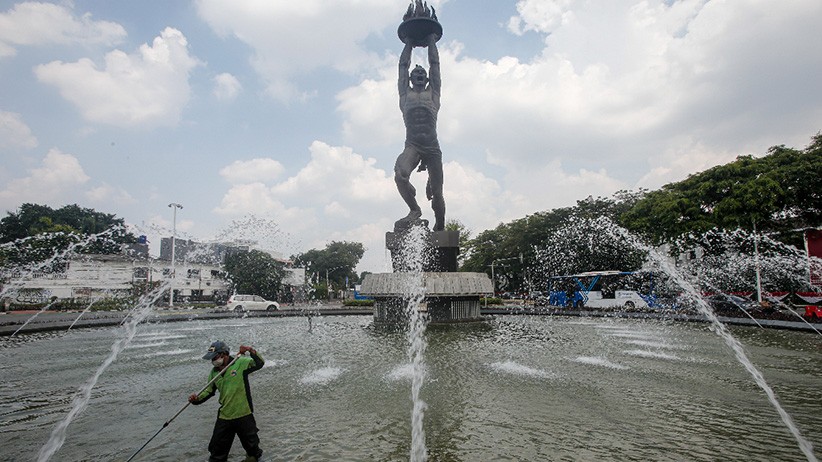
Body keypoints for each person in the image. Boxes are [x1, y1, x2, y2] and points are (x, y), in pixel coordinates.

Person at [395, 32, 445, 231]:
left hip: (432, 148)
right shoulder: (404, 94)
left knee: (437, 193)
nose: (419, 75)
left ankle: (440, 225)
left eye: (422, 74)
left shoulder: (433, 93)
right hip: (413, 145)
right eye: (416, 74)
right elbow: (402, 66)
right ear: (410, 77)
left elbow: (435, 65)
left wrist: (431, 40)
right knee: (400, 176)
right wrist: (408, 42)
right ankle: (414, 209)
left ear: (426, 78)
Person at [189, 341, 265, 462]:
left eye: (215, 357)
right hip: (225, 416)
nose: (213, 361)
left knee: (253, 450)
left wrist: (250, 350)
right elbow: (208, 391)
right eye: (211, 359)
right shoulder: (214, 373)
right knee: (217, 452)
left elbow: (260, 363)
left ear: (224, 354)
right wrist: (196, 399)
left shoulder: (240, 363)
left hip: (243, 413)